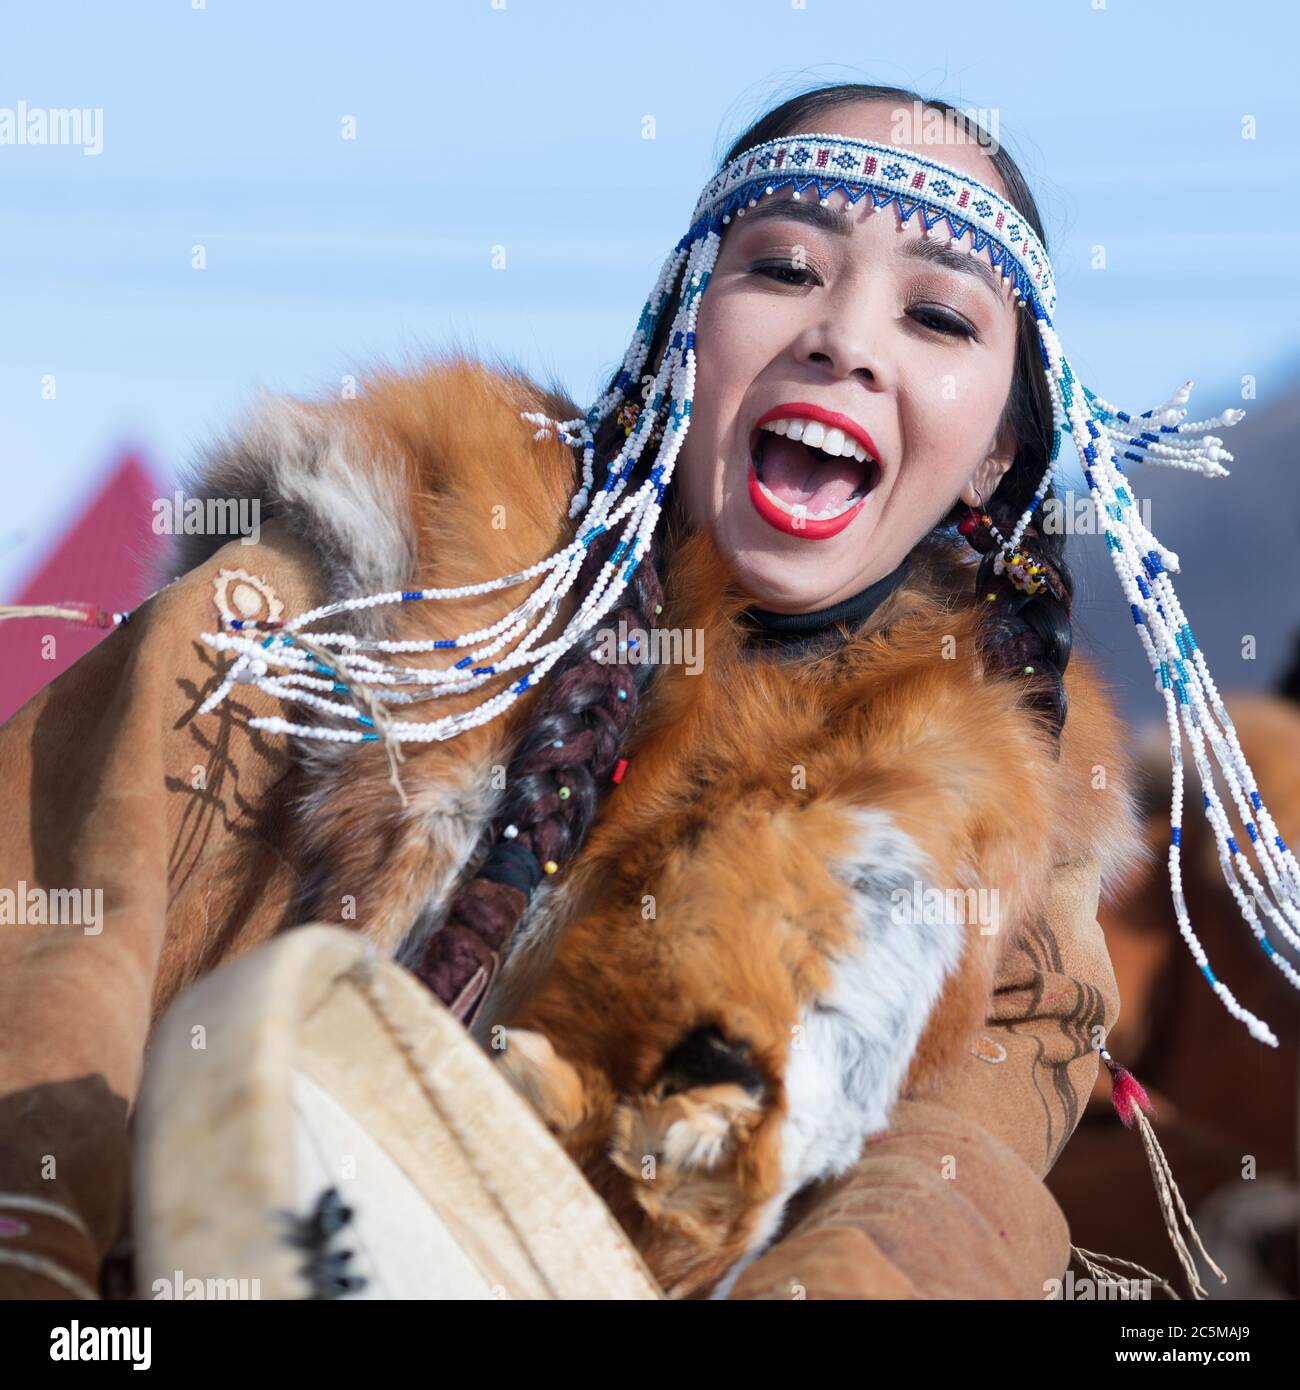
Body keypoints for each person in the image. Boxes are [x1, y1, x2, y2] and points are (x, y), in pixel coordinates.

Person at [0, 81, 1277, 1299]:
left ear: (996, 451)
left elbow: (939, 1210)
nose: (842, 338)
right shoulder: (334, 598)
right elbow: (52, 965)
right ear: (683, 328)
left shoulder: (1000, 896)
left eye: (936, 317)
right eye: (783, 268)